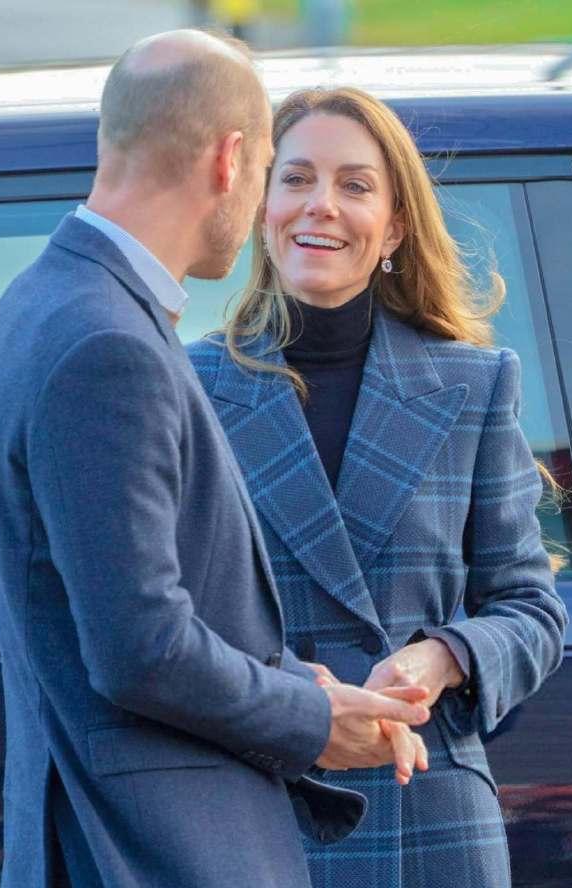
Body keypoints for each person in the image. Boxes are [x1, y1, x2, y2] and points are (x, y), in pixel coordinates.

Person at [0, 38, 433, 888]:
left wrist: (290, 675)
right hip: (147, 850)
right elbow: (141, 646)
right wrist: (308, 715)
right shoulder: (108, 343)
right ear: (230, 160)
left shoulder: (43, 302)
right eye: (271, 170)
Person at [188, 86, 568, 888]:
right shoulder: (187, 384)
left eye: (354, 185)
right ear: (260, 203)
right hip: (257, 810)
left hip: (428, 815)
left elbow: (532, 611)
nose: (320, 205)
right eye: (296, 179)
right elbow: (165, 619)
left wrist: (446, 654)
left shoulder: (473, 384)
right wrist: (296, 700)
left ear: (393, 227)